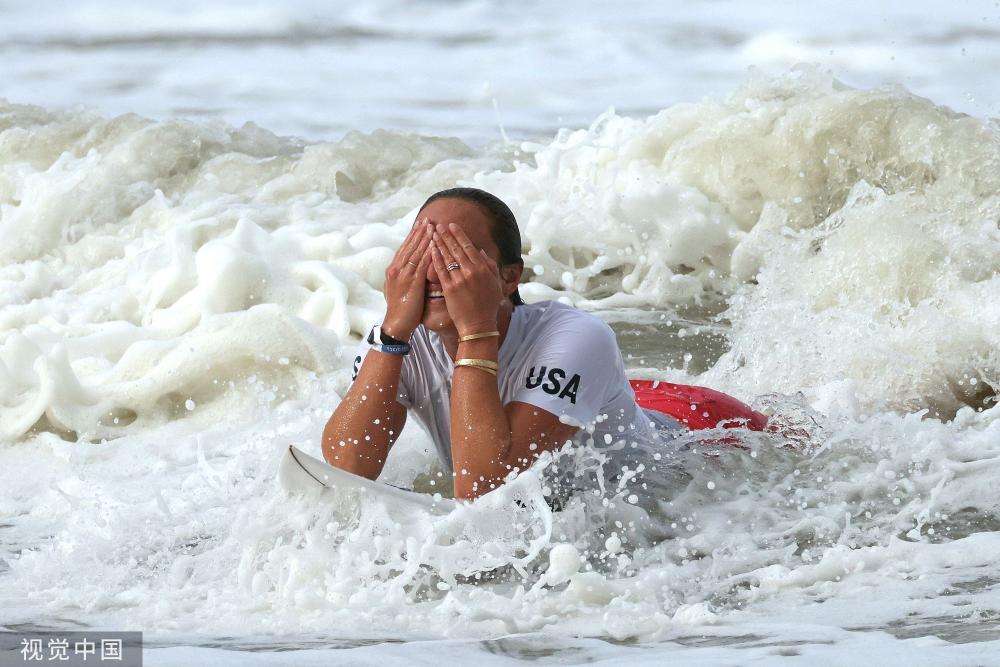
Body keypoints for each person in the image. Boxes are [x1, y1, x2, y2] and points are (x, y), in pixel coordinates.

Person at [322, 187, 689, 501]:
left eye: (457, 256)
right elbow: (346, 469)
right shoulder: (398, 339)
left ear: (510, 276)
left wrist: (477, 330)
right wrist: (392, 333)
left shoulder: (579, 338)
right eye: (423, 253)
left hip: (682, 456)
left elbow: (483, 490)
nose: (434, 272)